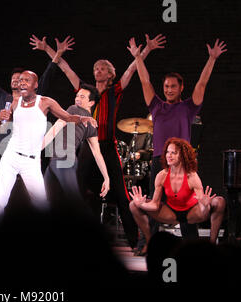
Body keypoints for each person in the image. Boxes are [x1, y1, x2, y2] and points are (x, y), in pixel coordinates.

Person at [30, 33, 166, 248]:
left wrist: (145, 50)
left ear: (111, 74)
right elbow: (66, 70)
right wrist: (50, 49)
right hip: (87, 145)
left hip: (108, 146)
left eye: (102, 68)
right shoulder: (85, 91)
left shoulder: (115, 91)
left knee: (122, 194)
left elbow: (131, 70)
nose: (98, 71)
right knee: (76, 189)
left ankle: (136, 242)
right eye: (96, 68)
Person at [0, 70, 96, 229]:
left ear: (35, 85)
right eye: (20, 80)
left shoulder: (45, 102)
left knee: (41, 204)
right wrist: (0, 119)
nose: (21, 83)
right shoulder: (15, 103)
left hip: (31, 162)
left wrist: (83, 118)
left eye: (26, 80)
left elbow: (67, 117)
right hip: (11, 157)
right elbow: (1, 129)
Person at [126, 37, 227, 197]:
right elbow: (145, 81)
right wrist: (138, 57)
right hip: (160, 160)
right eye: (166, 86)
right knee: (156, 204)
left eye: (173, 86)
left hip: (183, 161)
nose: (169, 90)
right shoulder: (156, 106)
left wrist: (212, 58)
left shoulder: (188, 107)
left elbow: (202, 83)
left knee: (187, 203)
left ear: (181, 88)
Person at [0, 40, 59, 193]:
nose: (16, 80)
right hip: (2, 152)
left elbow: (46, 79)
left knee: (28, 194)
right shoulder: (3, 97)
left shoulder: (34, 101)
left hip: (26, 154)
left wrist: (56, 55)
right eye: (13, 78)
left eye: (20, 78)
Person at [129, 137, 226, 255]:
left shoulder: (192, 176)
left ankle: (212, 245)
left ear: (182, 155)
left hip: (192, 213)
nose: (169, 156)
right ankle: (149, 242)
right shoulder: (162, 175)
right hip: (171, 213)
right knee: (133, 205)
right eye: (167, 152)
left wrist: (205, 206)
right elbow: (154, 205)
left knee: (220, 201)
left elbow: (203, 212)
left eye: (173, 153)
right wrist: (142, 204)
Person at [42, 81, 110, 210]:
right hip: (57, 161)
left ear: (91, 103)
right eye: (77, 96)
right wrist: (106, 178)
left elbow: (54, 129)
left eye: (82, 97)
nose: (77, 99)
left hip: (64, 160)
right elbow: (97, 153)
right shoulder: (92, 124)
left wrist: (35, 150)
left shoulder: (73, 110)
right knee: (47, 202)